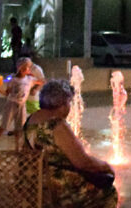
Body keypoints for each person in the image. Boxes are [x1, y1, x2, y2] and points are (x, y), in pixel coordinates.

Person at [24, 79, 118, 208]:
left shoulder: (31, 120)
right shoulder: (57, 125)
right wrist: (106, 166)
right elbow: (83, 162)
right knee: (108, 192)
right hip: (59, 188)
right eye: (69, 102)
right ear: (62, 104)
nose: (69, 107)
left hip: (36, 183)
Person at [0, 57, 41, 152]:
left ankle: (17, 148)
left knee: (19, 128)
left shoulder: (30, 79)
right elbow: (7, 93)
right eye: (27, 68)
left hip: (22, 105)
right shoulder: (13, 80)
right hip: (11, 104)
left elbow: (41, 81)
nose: (29, 70)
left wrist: (35, 88)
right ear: (21, 69)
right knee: (4, 125)